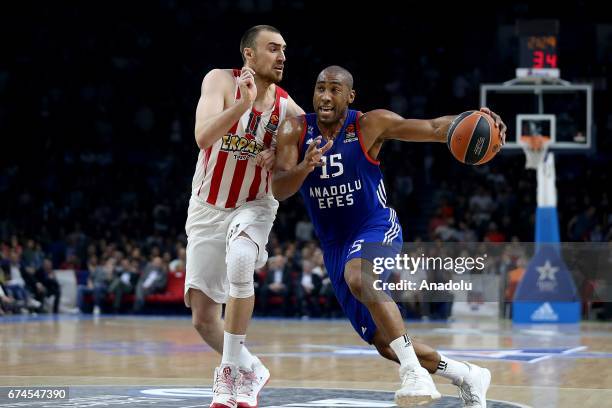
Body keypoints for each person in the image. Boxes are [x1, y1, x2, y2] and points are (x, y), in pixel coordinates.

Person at [272, 65, 507, 407]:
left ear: (350, 96)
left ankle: (414, 373)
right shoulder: (295, 130)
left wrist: (474, 118)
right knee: (385, 342)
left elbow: (432, 128)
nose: (325, 95)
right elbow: (279, 189)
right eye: (320, 88)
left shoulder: (369, 124)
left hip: (375, 226)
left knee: (359, 276)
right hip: (334, 244)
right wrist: (304, 167)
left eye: (334, 89)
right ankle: (466, 374)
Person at [186, 25, 304, 408]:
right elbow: (203, 137)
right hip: (207, 205)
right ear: (249, 55)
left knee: (240, 259)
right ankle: (251, 366)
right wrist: (242, 104)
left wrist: (284, 156)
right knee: (203, 319)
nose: (282, 55)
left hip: (254, 204)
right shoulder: (219, 80)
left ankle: (228, 376)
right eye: (273, 48)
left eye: (284, 49)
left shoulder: (289, 109)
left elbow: (309, 151)